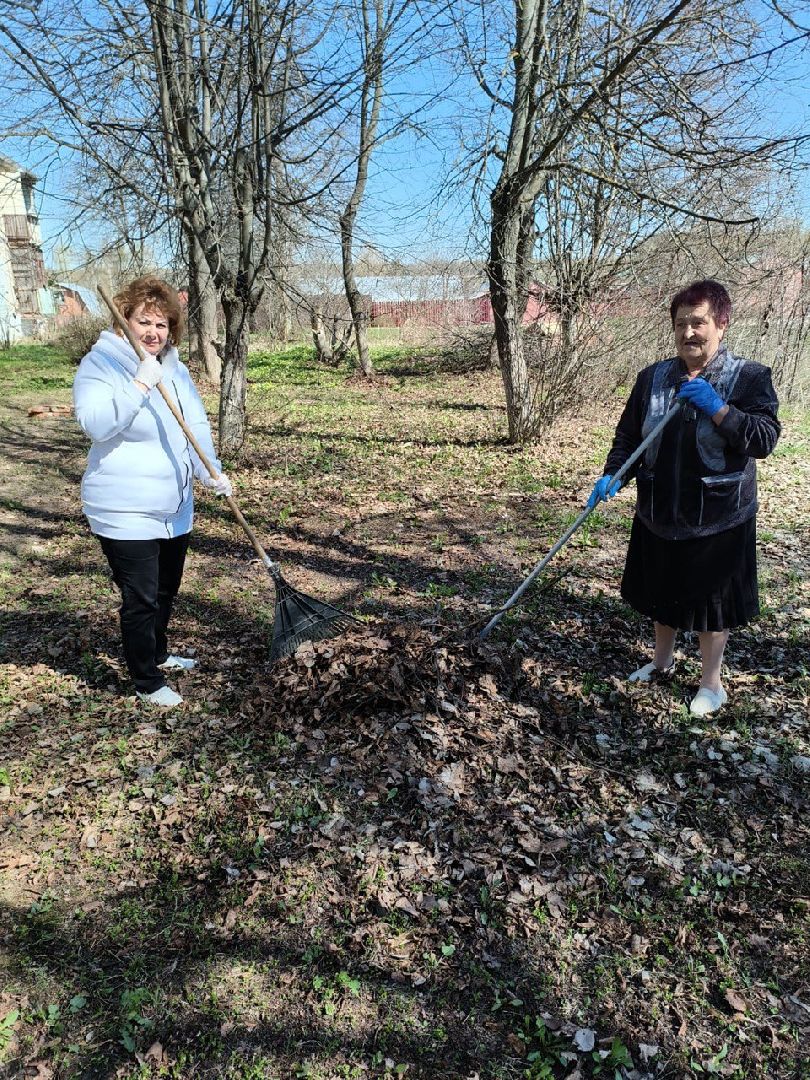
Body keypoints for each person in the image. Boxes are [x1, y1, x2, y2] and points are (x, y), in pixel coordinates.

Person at [587, 279, 780, 717]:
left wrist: (719, 408)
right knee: (662, 593)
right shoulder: (652, 378)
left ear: (721, 324)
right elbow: (629, 436)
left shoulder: (749, 377)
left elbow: (764, 439)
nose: (688, 332)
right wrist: (615, 473)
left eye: (698, 322)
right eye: (680, 324)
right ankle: (661, 663)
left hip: (720, 516)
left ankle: (712, 685)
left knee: (712, 607)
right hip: (660, 510)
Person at [73, 276, 232, 708]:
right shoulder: (101, 364)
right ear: (124, 320)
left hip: (173, 506)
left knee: (165, 590)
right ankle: (146, 681)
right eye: (144, 321)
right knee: (141, 598)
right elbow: (95, 424)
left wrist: (210, 472)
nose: (153, 332)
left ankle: (158, 653)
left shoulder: (174, 367)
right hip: (123, 508)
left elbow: (194, 425)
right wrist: (140, 384)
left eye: (161, 325)